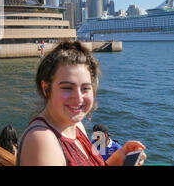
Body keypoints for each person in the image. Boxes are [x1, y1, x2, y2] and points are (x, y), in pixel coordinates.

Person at [17, 41, 146, 166]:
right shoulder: (43, 141)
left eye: (85, 88)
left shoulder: (76, 126)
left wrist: (119, 158)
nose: (78, 98)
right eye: (67, 87)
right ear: (46, 89)